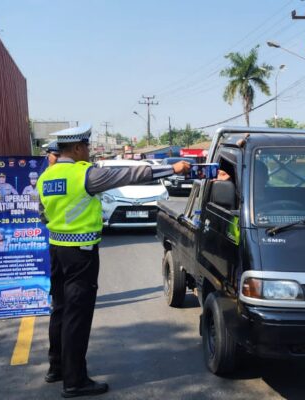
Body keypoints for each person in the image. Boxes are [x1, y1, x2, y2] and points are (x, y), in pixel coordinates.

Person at [36, 124, 190, 398]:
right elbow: (129, 173)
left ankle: (56, 367)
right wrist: (172, 169)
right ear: (76, 148)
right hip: (81, 251)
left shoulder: (46, 176)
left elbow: (43, 214)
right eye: (86, 146)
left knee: (59, 309)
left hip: (56, 249)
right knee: (77, 315)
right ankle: (75, 381)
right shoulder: (85, 175)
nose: (88, 151)